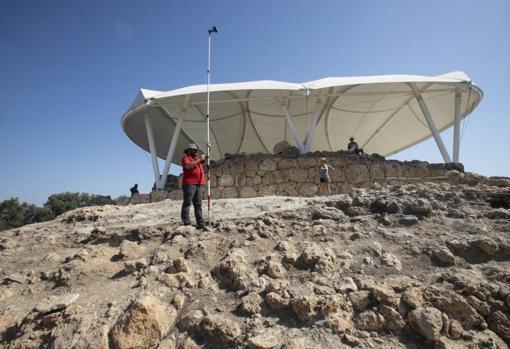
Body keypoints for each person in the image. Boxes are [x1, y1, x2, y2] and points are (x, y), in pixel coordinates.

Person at [181, 143, 207, 230]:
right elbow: (188, 166)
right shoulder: (186, 158)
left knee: (198, 204)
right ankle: (186, 221)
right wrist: (199, 159)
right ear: (188, 151)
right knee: (187, 202)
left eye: (195, 150)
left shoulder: (196, 158)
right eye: (192, 150)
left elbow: (206, 158)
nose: (194, 151)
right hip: (189, 184)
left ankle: (200, 223)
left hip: (198, 184)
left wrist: (208, 149)